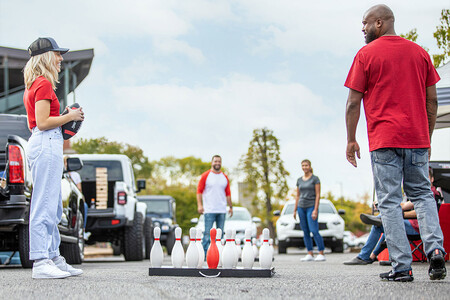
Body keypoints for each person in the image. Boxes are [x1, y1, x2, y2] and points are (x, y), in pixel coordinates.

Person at [345, 4, 446, 281]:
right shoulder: (421, 53)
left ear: (380, 23)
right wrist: (427, 138)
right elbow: (433, 101)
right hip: (417, 138)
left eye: (365, 23)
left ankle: (402, 267)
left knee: (388, 202)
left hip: (384, 140)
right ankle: (436, 251)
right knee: (423, 195)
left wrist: (351, 139)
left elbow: (353, 102)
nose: (362, 29)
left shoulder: (365, 55)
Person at [23, 37, 84, 279]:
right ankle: (40, 262)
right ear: (47, 56)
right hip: (46, 141)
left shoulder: (36, 84)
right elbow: (43, 122)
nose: (60, 58)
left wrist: (67, 116)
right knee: (44, 205)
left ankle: (54, 257)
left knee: (54, 205)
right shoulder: (43, 84)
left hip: (48, 142)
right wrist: (71, 116)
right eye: (57, 54)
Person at [197, 155, 233, 254]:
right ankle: (205, 255)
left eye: (219, 161)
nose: (217, 163)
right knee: (207, 234)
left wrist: (230, 207)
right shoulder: (206, 175)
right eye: (215, 161)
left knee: (220, 235)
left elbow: (228, 193)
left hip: (221, 210)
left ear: (221, 163)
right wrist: (200, 205)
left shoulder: (224, 177)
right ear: (212, 162)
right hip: (209, 210)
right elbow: (199, 191)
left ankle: (218, 255)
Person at [293, 159, 325, 261]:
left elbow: (318, 195)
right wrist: (295, 210)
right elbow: (297, 196)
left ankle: (321, 253)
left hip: (311, 206)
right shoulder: (299, 180)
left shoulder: (315, 179)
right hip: (301, 207)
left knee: (314, 230)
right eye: (303, 165)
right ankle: (310, 253)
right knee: (305, 231)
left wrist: (315, 209)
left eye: (306, 165)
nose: (304, 167)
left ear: (310, 166)